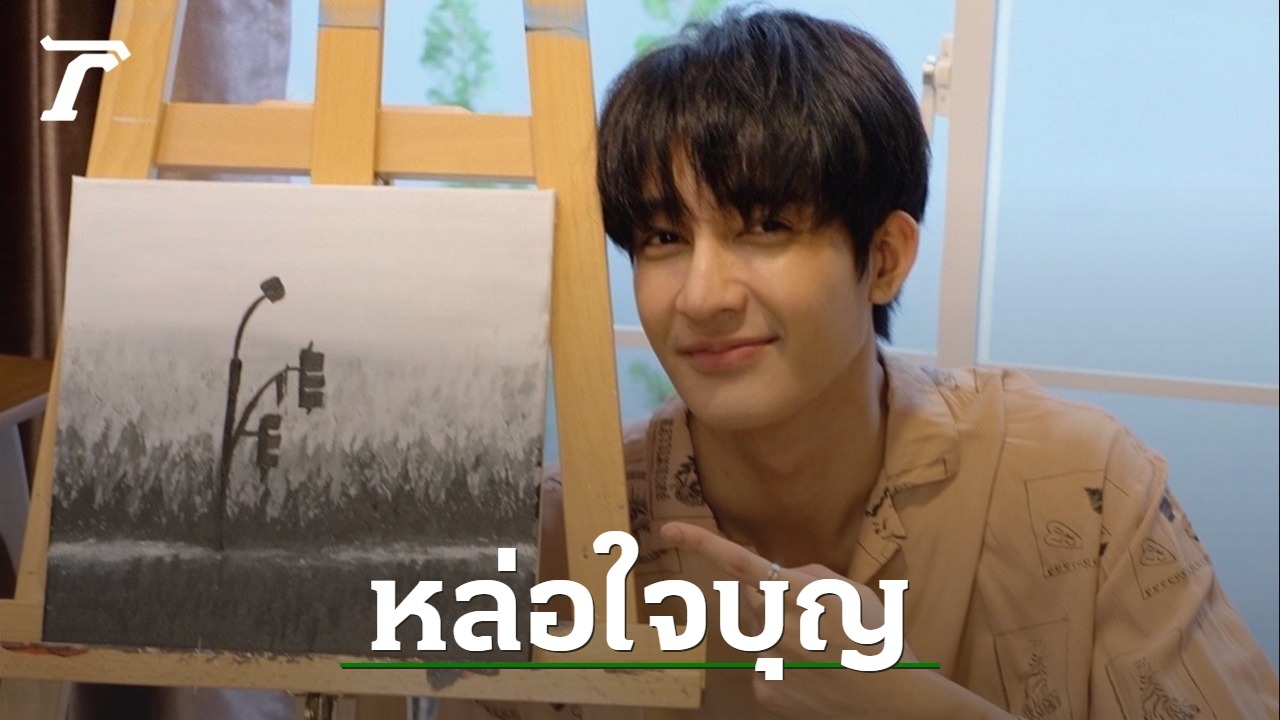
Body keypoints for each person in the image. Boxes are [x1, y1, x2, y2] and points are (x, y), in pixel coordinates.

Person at [441, 7, 1278, 720]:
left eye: (765, 226)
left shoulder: (1084, 487)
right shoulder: (559, 537)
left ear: (883, 258)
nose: (700, 296)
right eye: (663, 238)